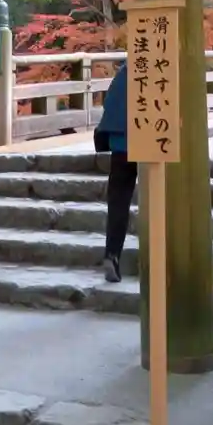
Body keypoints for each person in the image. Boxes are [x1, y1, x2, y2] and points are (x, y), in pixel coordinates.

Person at [93, 63, 136, 283]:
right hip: (154, 144)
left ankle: (112, 254)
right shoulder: (164, 67)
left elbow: (109, 103)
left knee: (118, 203)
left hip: (120, 144)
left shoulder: (124, 72)